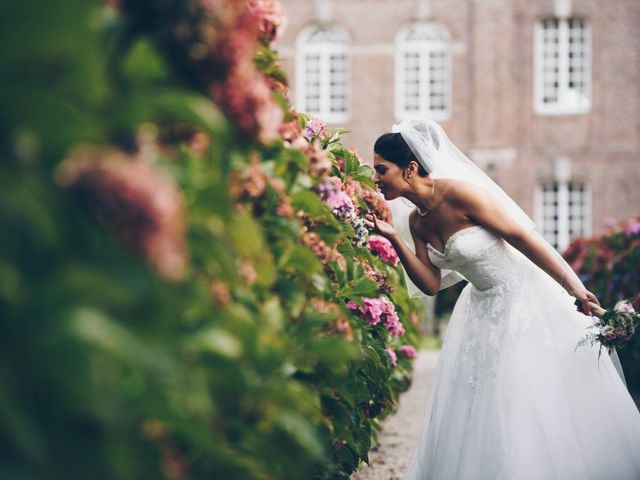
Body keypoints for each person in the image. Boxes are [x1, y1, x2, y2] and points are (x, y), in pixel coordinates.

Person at [364, 117, 640, 480]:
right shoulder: (417, 221)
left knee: (524, 397)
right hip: (479, 309)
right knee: (481, 406)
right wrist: (393, 238)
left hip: (523, 299)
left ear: (410, 168)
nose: (375, 178)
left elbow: (522, 238)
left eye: (381, 169)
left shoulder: (461, 193)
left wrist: (572, 286)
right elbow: (430, 284)